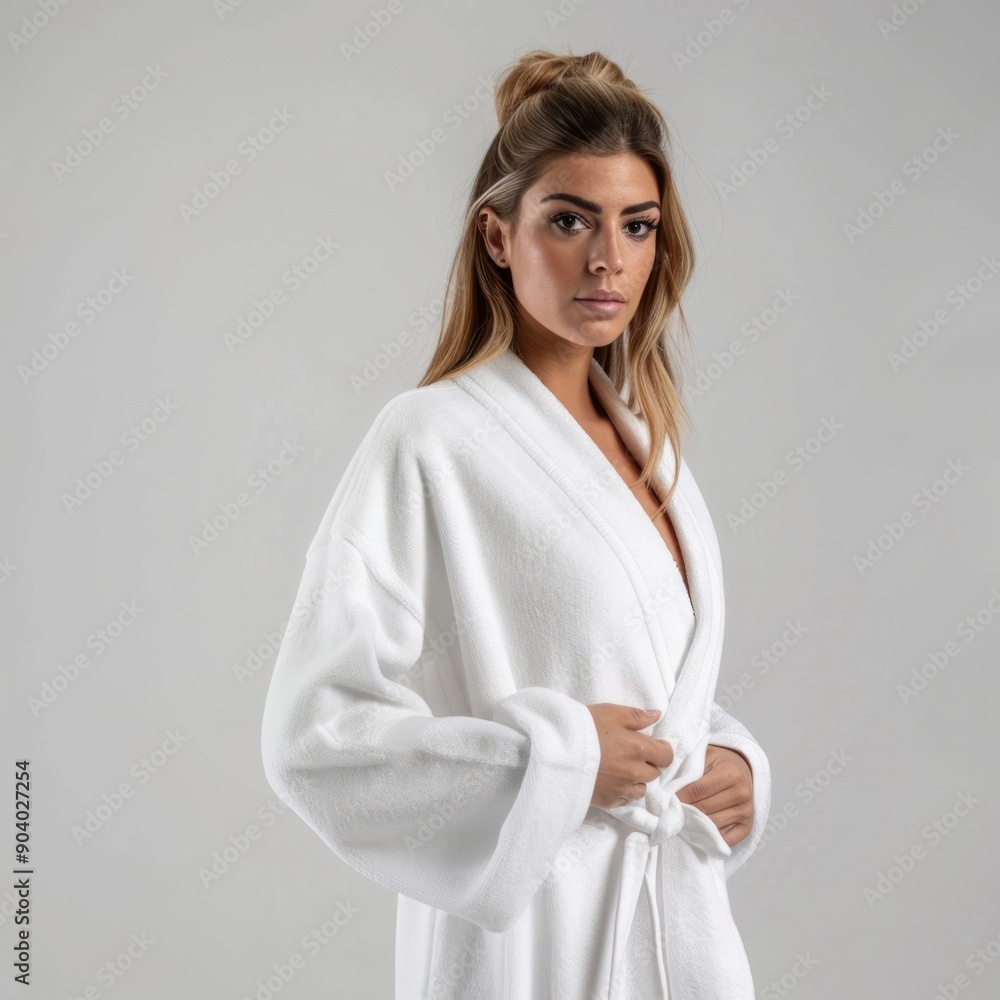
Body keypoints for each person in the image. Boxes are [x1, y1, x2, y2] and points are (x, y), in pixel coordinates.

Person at [260, 47, 771, 1000]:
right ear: (498, 237)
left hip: (676, 935)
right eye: (569, 220)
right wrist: (558, 761)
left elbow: (633, 675)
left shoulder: (649, 447)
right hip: (528, 946)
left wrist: (733, 761)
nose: (608, 258)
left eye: (637, 225)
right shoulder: (429, 439)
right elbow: (314, 738)